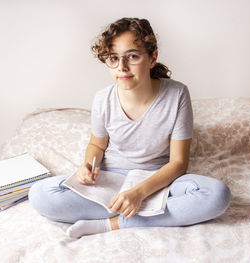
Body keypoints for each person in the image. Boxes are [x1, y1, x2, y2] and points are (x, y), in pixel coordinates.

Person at [29, 17, 231, 238]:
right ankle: (136, 211)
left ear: (152, 57)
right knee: (40, 194)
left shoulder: (178, 94)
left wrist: (139, 193)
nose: (122, 67)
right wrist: (87, 165)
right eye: (114, 58)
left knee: (217, 195)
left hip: (158, 182)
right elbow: (97, 144)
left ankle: (113, 224)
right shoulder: (102, 99)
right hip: (111, 179)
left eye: (132, 56)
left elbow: (178, 163)